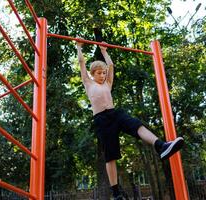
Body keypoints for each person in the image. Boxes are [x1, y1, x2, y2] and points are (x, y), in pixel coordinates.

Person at [76, 40, 184, 200]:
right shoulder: (88, 83)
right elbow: (81, 63)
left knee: (136, 125)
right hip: (102, 120)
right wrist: (79, 48)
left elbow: (111, 66)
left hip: (115, 114)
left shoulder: (108, 83)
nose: (102, 75)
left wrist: (104, 51)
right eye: (99, 73)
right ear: (93, 74)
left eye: (103, 73)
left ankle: (161, 146)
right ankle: (116, 193)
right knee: (111, 156)